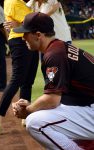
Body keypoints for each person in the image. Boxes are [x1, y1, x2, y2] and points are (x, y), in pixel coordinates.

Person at [12, 12, 94, 150]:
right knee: (46, 117)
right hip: (88, 105)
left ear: (38, 35)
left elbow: (52, 100)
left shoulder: (54, 55)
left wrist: (28, 110)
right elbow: (57, 97)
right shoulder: (60, 47)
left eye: (26, 33)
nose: (22, 37)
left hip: (90, 110)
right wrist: (33, 106)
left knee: (35, 122)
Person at [0, 0, 39, 135]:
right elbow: (34, 22)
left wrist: (25, 24)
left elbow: (31, 23)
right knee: (17, 79)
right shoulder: (13, 1)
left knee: (28, 81)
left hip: (31, 40)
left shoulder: (24, 3)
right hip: (19, 41)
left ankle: (25, 114)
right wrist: (25, 24)